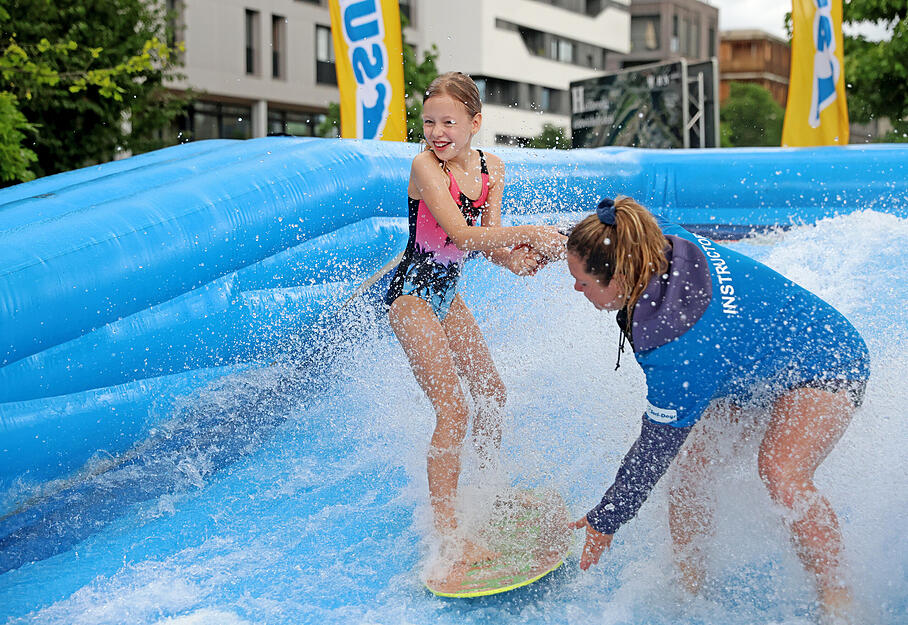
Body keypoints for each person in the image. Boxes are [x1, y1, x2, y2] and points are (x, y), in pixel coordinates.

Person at [564, 196, 869, 625]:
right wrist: (549, 241)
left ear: (621, 276)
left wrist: (605, 519)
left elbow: (653, 452)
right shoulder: (655, 238)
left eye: (583, 281)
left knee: (780, 471)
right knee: (690, 476)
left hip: (826, 359)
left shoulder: (676, 348)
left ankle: (839, 603)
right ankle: (689, 592)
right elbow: (613, 234)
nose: (577, 289)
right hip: (747, 367)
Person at [384, 72, 565, 573]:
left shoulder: (492, 167)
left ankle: (488, 492)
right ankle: (449, 537)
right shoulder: (425, 167)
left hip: (449, 296)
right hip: (411, 300)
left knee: (492, 392)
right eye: (428, 122)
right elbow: (461, 235)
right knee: (453, 412)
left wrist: (515, 259)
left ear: (474, 123)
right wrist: (530, 230)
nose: (437, 132)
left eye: (449, 121)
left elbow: (487, 241)